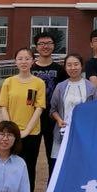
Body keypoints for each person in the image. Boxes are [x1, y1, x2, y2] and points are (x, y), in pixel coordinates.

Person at [0, 47, 46, 192]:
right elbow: (3, 106)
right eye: (20, 58)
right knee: (10, 166)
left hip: (32, 133)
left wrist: (26, 131)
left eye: (27, 58)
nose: (23, 62)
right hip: (11, 133)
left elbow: (39, 108)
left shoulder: (39, 83)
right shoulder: (9, 82)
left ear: (33, 61)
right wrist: (11, 129)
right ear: (15, 62)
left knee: (29, 167)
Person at [47, 53, 97, 175]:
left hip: (84, 134)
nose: (73, 68)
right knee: (59, 168)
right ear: (65, 67)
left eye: (76, 64)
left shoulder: (90, 87)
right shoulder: (60, 87)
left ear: (81, 66)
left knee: (81, 167)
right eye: (69, 65)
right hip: (63, 134)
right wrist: (59, 120)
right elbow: (53, 110)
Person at [30, 32, 68, 175]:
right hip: (33, 118)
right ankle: (28, 189)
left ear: (54, 46)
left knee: (53, 158)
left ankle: (52, 188)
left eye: (48, 43)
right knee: (30, 158)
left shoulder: (60, 70)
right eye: (41, 44)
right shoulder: (31, 69)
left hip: (53, 119)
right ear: (36, 47)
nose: (45, 46)